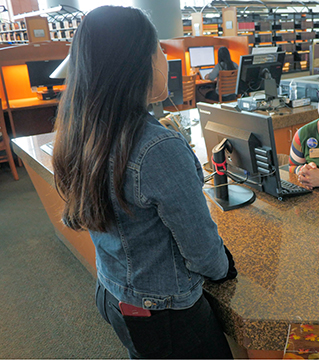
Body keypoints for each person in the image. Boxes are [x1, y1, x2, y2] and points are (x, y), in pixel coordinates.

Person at [52, 6, 235, 359]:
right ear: (139, 62)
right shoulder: (157, 147)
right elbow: (202, 251)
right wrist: (222, 267)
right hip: (164, 312)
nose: (167, 59)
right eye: (161, 49)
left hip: (113, 292)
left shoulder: (82, 128)